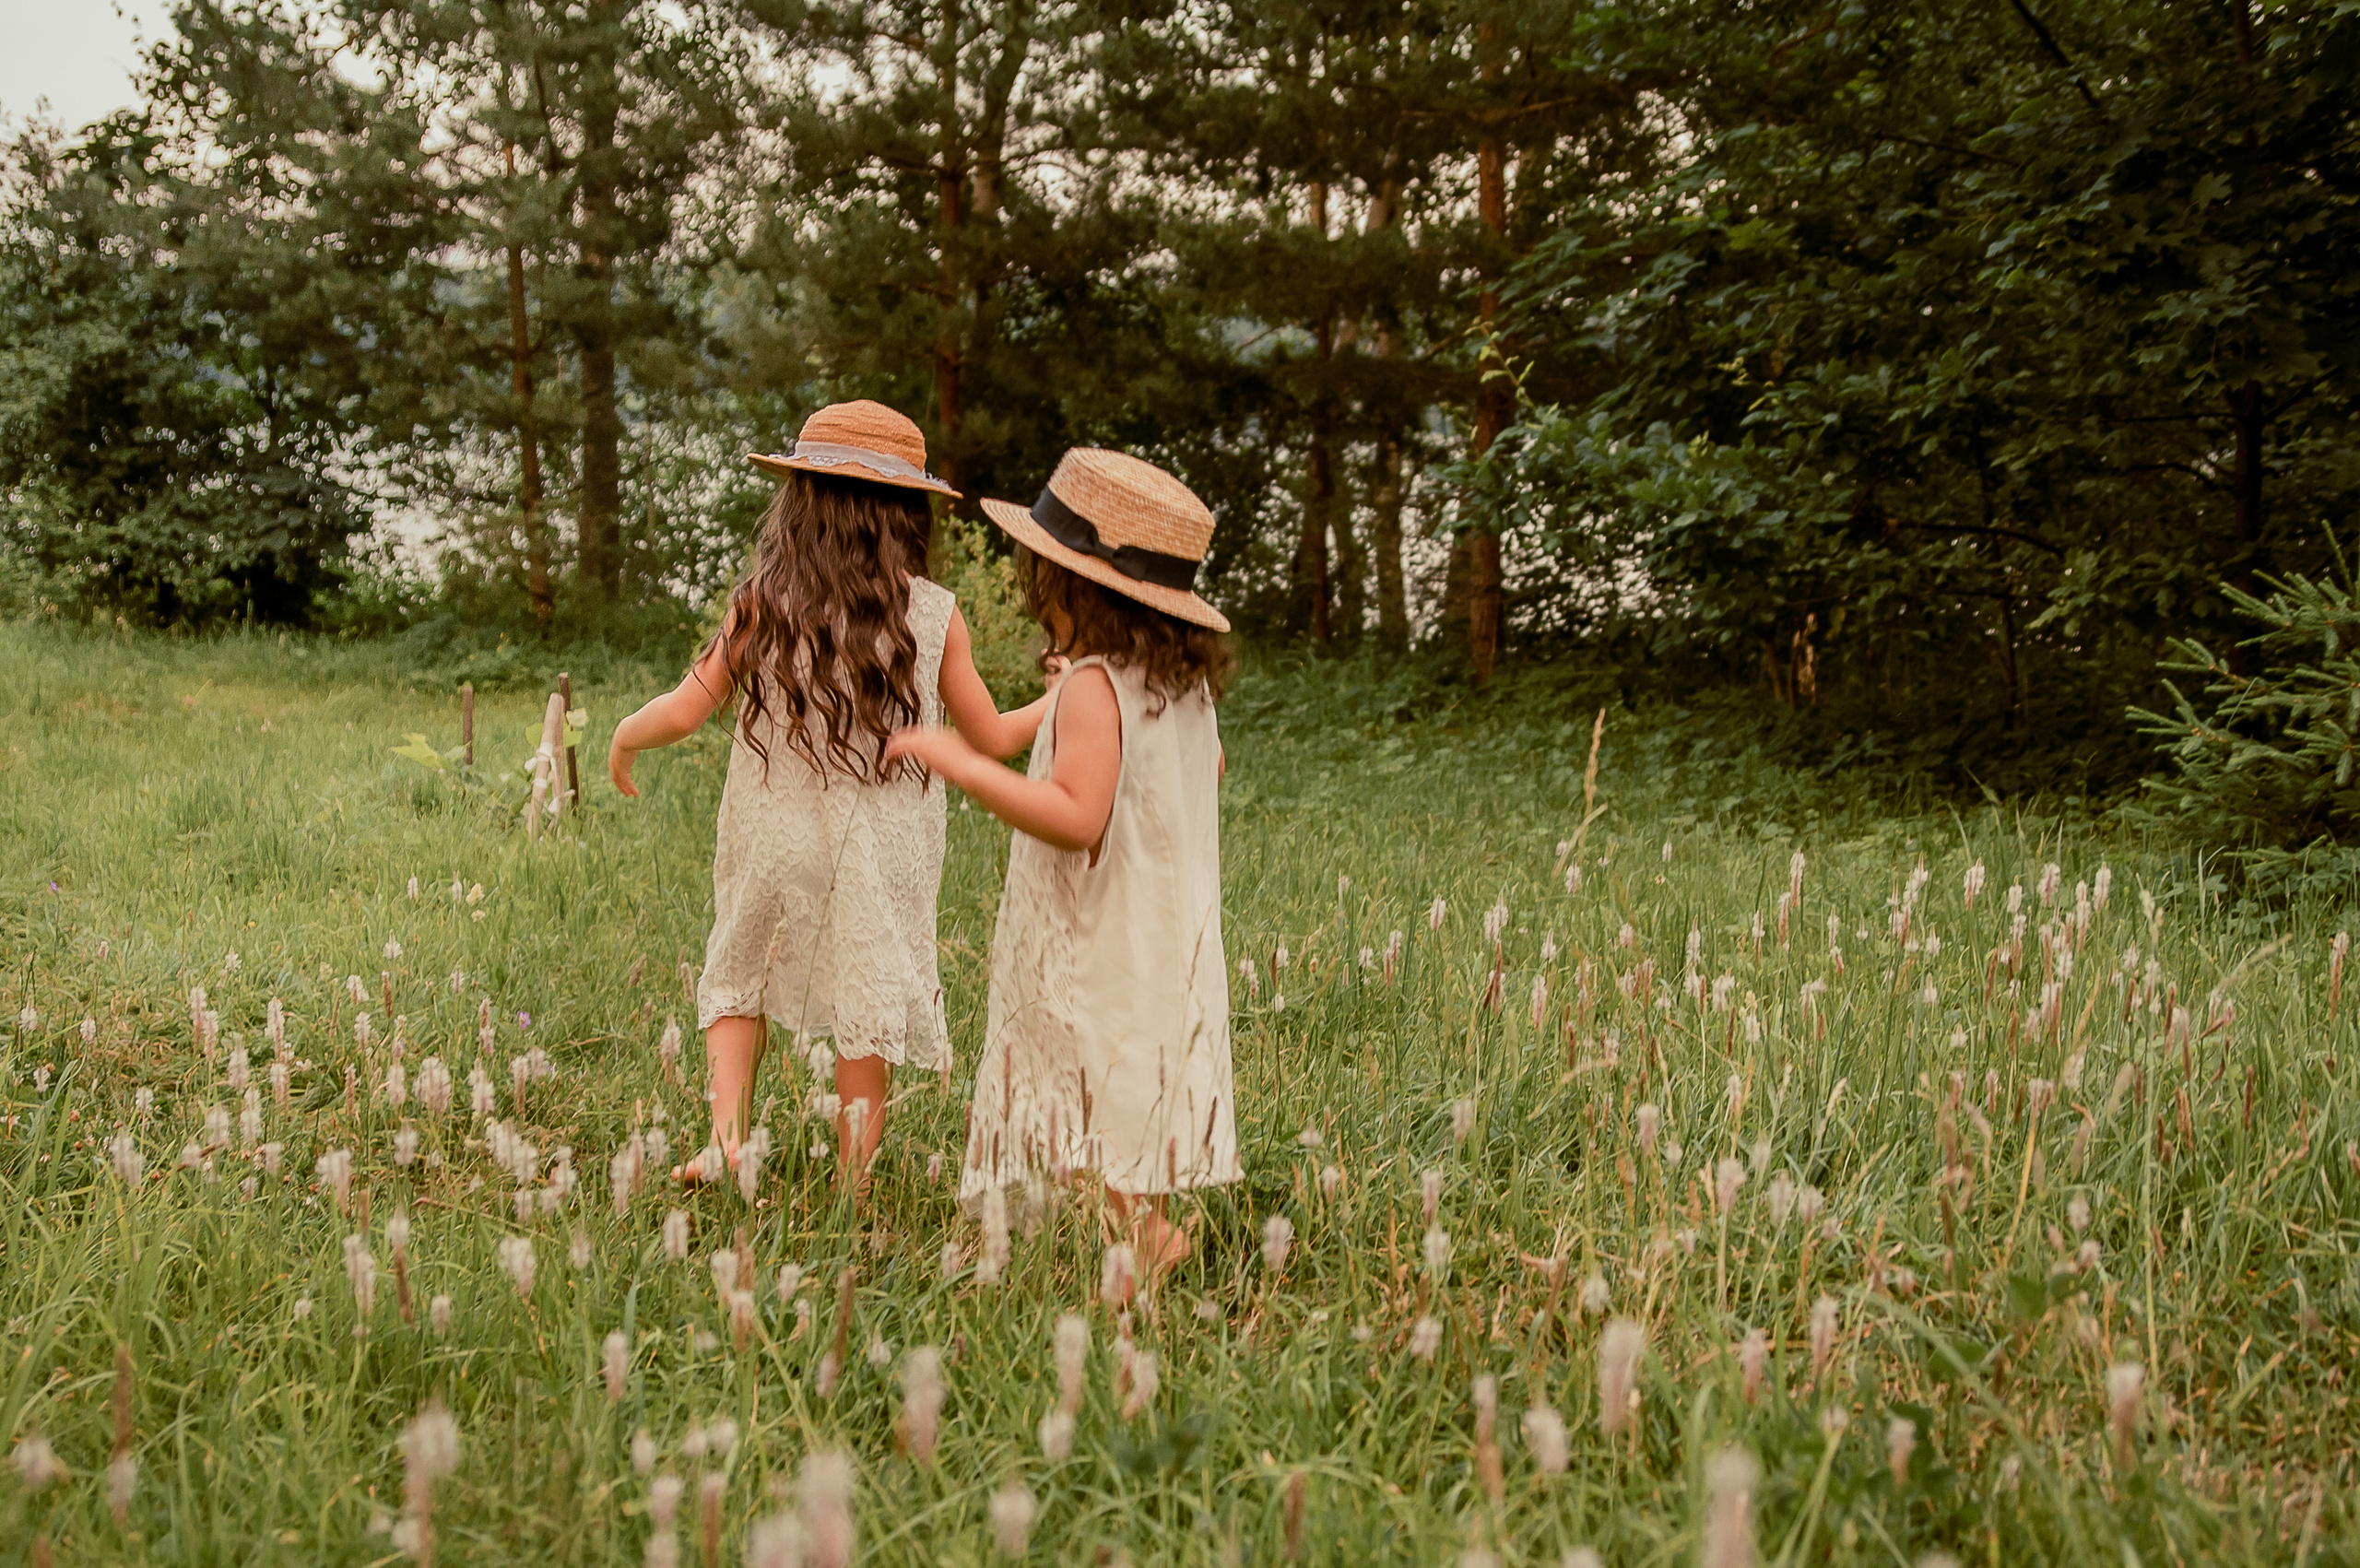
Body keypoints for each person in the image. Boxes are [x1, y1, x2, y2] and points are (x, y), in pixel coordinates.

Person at [608, 400, 1056, 1188]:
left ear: (799, 502)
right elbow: (990, 736)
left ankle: (727, 1140)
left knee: (739, 968)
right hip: (880, 849)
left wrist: (623, 736)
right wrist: (1067, 695)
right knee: (865, 996)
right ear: (905, 513)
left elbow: (684, 708)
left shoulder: (764, 599)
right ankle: (853, 1176)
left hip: (774, 830)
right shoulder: (933, 615)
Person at [884, 447, 1241, 1283]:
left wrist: (966, 767)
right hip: (1164, 920)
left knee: (1074, 1079)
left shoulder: (1090, 687)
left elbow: (1078, 816)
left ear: (1068, 585)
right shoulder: (1177, 686)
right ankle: (1140, 1232)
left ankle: (1150, 1238)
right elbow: (1208, 768)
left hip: (1095, 927)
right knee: (1117, 1083)